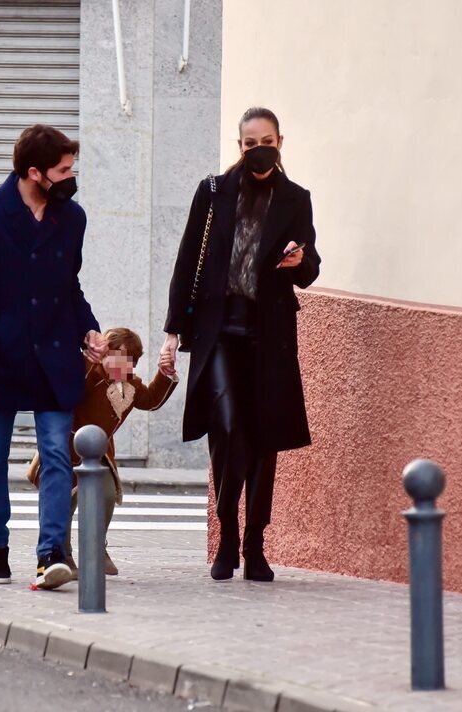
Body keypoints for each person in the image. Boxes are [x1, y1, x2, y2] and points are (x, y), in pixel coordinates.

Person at [0, 124, 108, 591]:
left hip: (55, 358)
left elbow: (68, 286)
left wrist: (87, 328)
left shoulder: (72, 219)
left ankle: (50, 552)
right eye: (63, 169)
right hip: (2, 358)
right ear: (35, 172)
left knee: (56, 452)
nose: (71, 177)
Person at [159, 107, 321, 582]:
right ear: (240, 147)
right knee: (228, 429)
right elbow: (187, 259)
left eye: (266, 141)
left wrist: (300, 262)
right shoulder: (214, 192)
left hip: (268, 334)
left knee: (263, 439)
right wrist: (172, 334)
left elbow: (310, 267)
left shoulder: (296, 199)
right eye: (250, 143)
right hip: (219, 332)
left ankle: (255, 545)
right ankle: (226, 535)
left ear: (280, 142)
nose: (259, 149)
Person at [27, 327, 178, 578]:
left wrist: (165, 373)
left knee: (107, 495)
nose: (124, 365)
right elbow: (71, 388)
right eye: (117, 357)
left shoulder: (130, 385)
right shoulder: (90, 373)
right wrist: (90, 360)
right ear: (105, 354)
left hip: (100, 453)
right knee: (63, 502)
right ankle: (61, 553)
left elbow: (151, 399)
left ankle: (96, 546)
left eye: (131, 361)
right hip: (67, 447)